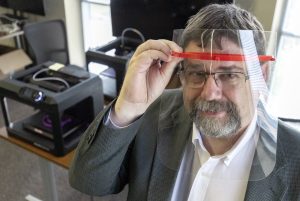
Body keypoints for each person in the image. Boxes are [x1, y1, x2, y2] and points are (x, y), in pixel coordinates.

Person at [69, 4, 300, 201]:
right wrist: (127, 107)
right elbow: (89, 182)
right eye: (197, 74)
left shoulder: (295, 160)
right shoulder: (154, 110)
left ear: (262, 75)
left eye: (230, 75)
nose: (209, 93)